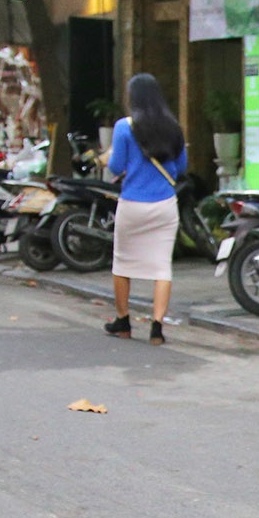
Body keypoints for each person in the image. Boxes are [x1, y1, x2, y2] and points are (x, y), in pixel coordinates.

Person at [104, 73, 186, 345]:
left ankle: (123, 321)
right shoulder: (173, 127)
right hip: (164, 205)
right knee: (162, 266)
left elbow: (116, 167)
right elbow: (181, 167)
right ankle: (157, 328)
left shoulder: (123, 127)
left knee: (123, 262)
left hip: (133, 204)